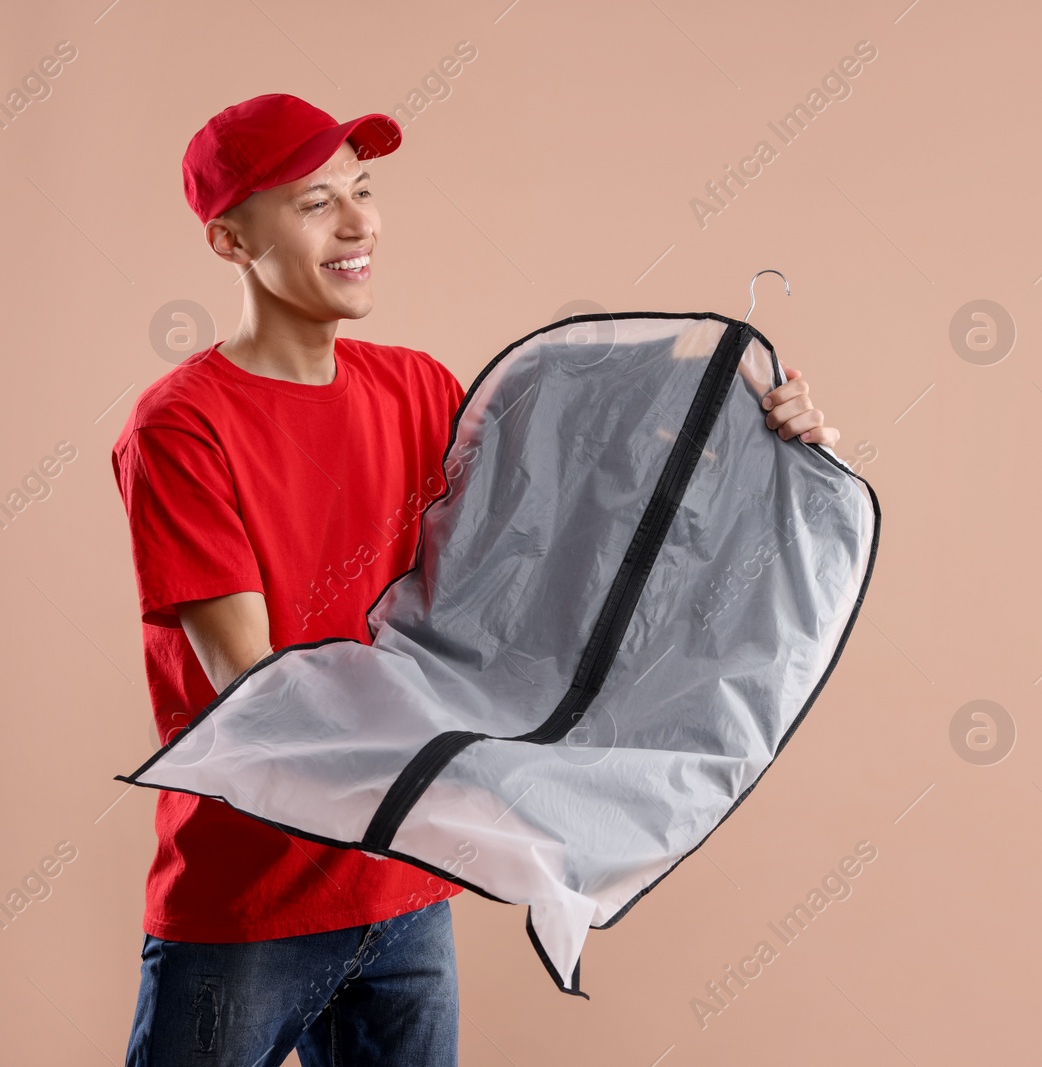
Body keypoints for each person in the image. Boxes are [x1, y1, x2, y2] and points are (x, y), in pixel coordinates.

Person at [112, 93, 840, 1067]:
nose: (360, 221)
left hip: (405, 894)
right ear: (229, 239)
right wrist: (488, 768)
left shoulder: (415, 387)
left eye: (364, 191)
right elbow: (256, 686)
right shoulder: (181, 426)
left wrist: (770, 453)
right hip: (248, 902)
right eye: (315, 201)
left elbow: (561, 540)